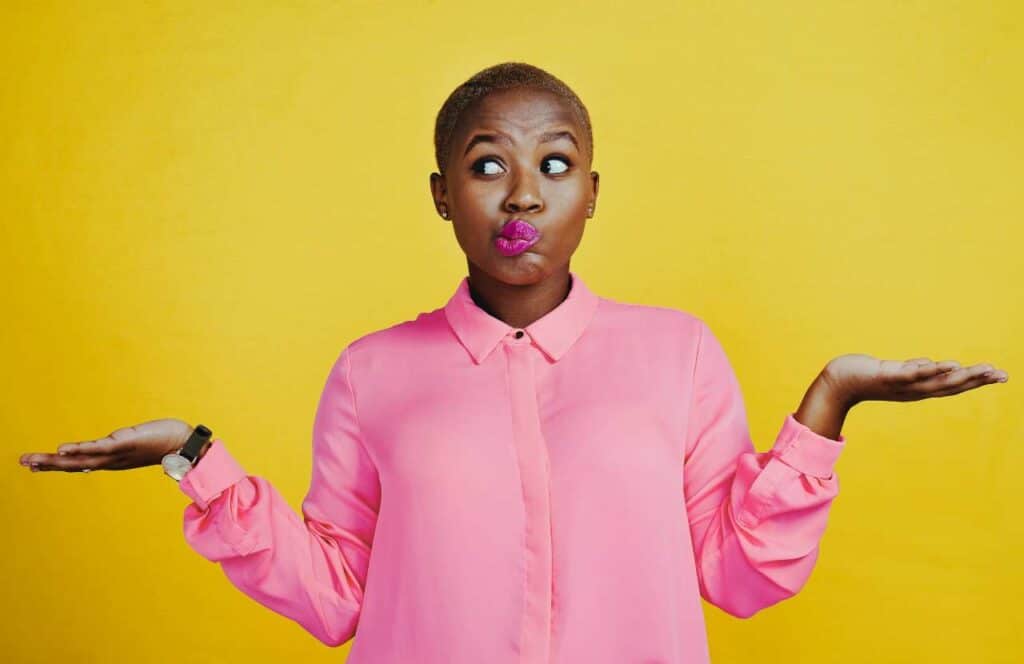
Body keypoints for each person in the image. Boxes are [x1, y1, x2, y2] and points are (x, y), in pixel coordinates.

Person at [18, 61, 1009, 663]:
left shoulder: (677, 352)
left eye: (554, 162)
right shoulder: (373, 372)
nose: (522, 195)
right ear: (443, 193)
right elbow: (335, 595)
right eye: (488, 164)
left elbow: (739, 572)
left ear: (592, 189)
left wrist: (827, 404)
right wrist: (195, 456)